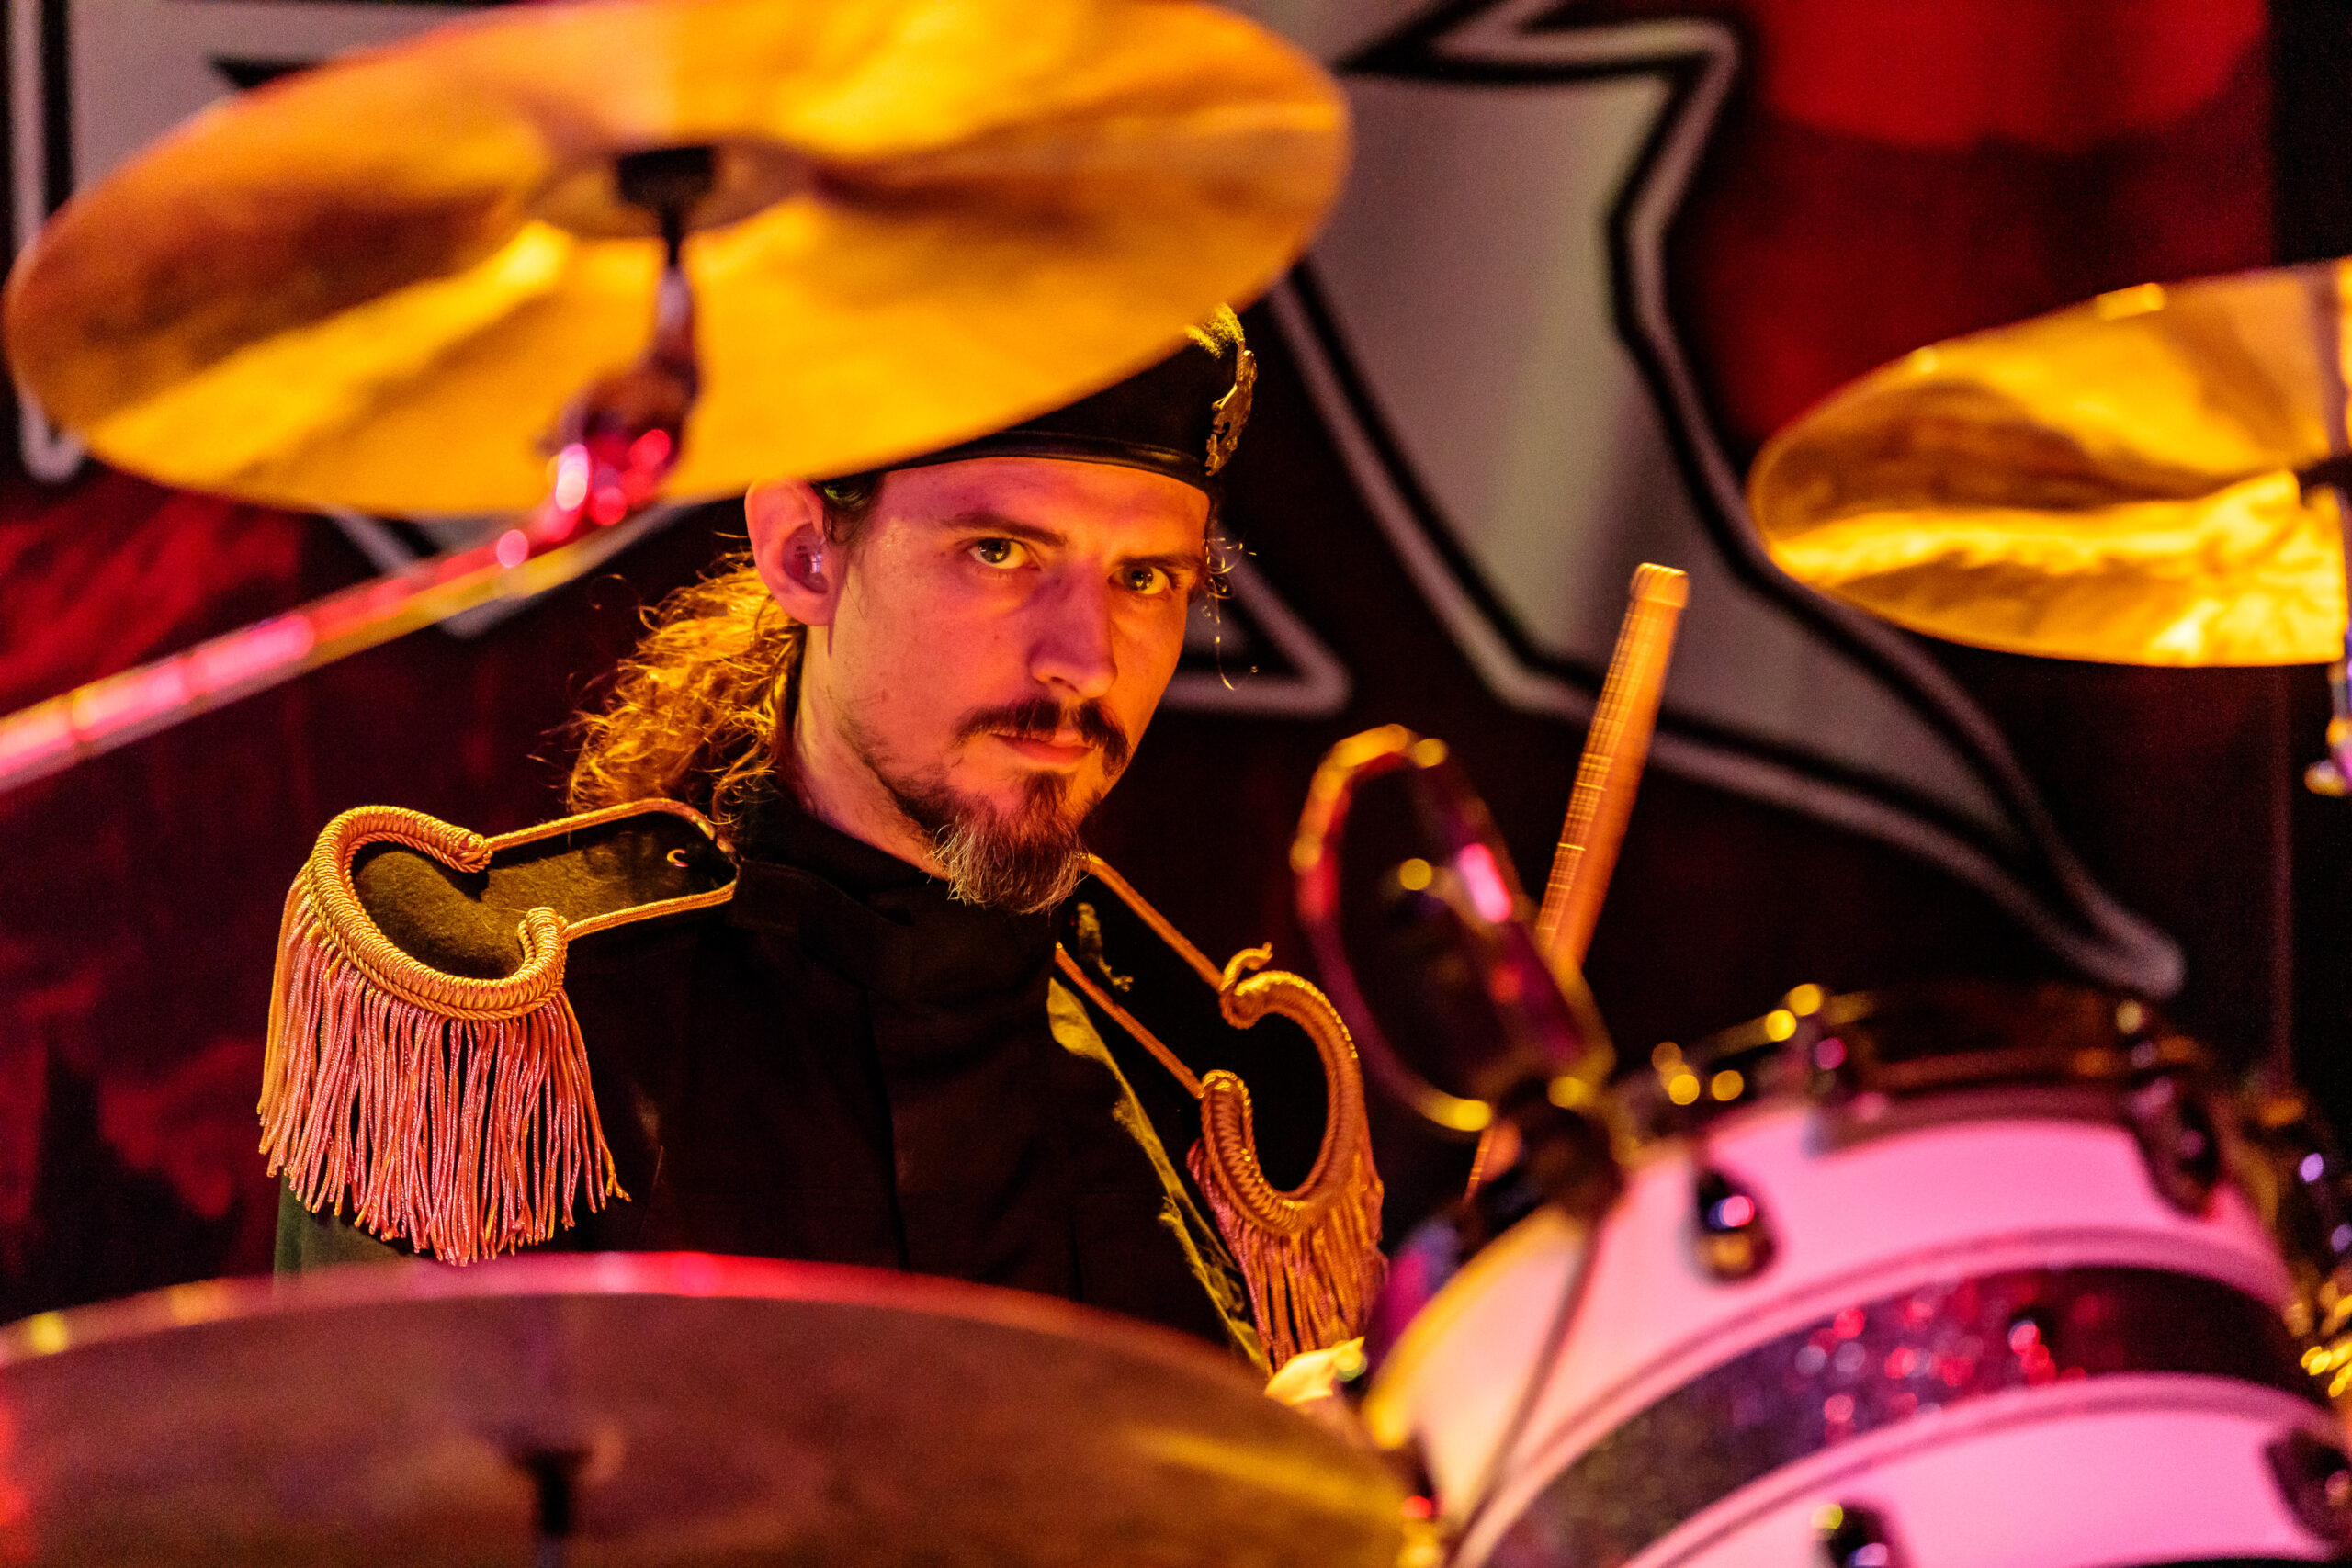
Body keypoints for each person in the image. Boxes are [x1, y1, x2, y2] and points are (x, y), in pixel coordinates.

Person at [260, 309, 1383, 1371]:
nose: (1085, 661)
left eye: (1143, 579)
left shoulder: (1220, 1113)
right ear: (803, 551)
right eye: (1001, 552)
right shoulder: (507, 1036)